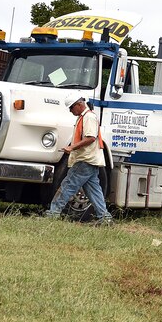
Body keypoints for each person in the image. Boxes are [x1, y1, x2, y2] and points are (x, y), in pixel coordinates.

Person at [46, 92, 113, 225]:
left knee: (67, 186)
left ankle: (53, 213)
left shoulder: (88, 117)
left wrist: (72, 147)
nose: (70, 111)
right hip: (90, 160)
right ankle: (105, 218)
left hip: (85, 160)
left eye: (71, 108)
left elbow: (90, 138)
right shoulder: (85, 117)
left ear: (79, 104)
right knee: (94, 191)